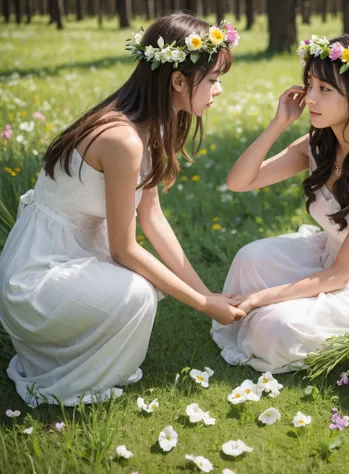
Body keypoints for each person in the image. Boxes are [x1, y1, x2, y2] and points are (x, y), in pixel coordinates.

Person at [0, 12, 244, 407]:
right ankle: (73, 379)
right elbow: (123, 250)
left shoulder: (155, 125)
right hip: (40, 273)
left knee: (146, 287)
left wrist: (207, 296)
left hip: (76, 251)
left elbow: (152, 216)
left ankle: (78, 354)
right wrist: (201, 304)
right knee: (138, 294)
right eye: (213, 80)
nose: (218, 91)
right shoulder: (122, 138)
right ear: (178, 81)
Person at [211, 34, 349, 374]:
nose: (310, 98)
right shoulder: (318, 144)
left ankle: (270, 320)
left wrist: (260, 298)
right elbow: (238, 182)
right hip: (328, 254)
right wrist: (279, 123)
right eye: (310, 84)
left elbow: (342, 275)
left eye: (325, 90)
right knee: (249, 258)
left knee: (275, 325)